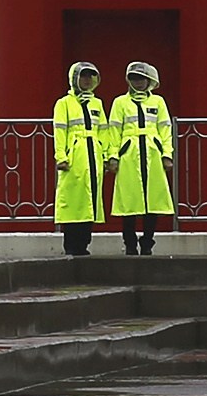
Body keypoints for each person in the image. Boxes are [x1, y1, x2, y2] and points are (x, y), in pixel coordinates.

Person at [106, 59, 175, 256]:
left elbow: (165, 129)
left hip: (152, 155)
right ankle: (129, 243)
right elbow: (114, 130)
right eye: (134, 79)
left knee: (152, 201)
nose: (138, 83)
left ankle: (147, 243)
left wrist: (167, 154)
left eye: (142, 79)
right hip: (129, 155)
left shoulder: (158, 102)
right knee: (129, 202)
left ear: (149, 80)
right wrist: (113, 156)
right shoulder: (120, 102)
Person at [52, 60, 111, 255]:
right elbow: (59, 131)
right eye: (83, 76)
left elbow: (103, 131)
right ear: (74, 79)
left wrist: (106, 154)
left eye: (90, 76)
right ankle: (71, 246)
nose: (86, 80)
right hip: (74, 157)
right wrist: (61, 156)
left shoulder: (97, 103)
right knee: (73, 202)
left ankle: (84, 244)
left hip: (93, 156)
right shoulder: (64, 103)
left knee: (90, 201)